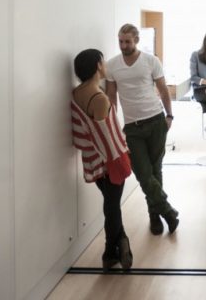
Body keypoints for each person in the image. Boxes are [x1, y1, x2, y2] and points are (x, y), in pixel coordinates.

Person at [106, 24, 180, 235]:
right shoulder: (112, 65)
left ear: (136, 40)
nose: (123, 45)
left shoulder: (151, 61)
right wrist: (113, 127)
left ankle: (154, 216)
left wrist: (169, 115)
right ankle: (167, 211)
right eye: (120, 41)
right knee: (143, 173)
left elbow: (163, 90)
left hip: (156, 121)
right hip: (132, 127)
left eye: (127, 41)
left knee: (156, 171)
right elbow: (111, 98)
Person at [71, 49, 133, 270]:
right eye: (104, 61)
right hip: (109, 163)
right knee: (112, 207)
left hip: (92, 161)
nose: (106, 65)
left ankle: (120, 243)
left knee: (111, 205)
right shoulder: (99, 99)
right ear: (98, 65)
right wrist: (122, 158)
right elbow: (106, 138)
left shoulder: (77, 92)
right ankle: (109, 252)